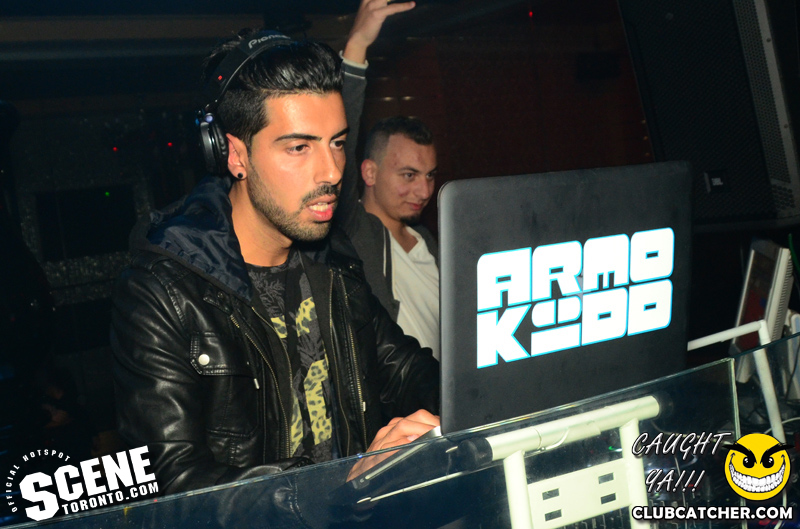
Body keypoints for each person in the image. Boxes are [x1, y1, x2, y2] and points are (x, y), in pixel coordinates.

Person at [109, 28, 439, 500]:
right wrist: (335, 487)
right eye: (299, 147)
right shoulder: (162, 293)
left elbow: (403, 368)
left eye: (337, 143)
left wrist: (476, 404)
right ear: (234, 154)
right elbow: (173, 486)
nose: (331, 172)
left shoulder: (331, 258)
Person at [337, 0, 441, 360]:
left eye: (430, 176)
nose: (424, 191)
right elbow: (340, 138)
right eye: (409, 175)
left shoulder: (429, 243)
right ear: (369, 172)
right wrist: (357, 47)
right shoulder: (355, 233)